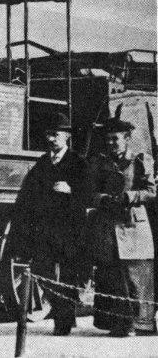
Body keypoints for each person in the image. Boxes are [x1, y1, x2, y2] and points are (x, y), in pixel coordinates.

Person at [7, 112, 89, 335]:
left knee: (69, 274)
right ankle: (62, 310)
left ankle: (64, 320)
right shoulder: (42, 163)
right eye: (48, 135)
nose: (51, 139)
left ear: (67, 136)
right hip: (45, 229)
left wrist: (72, 191)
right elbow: (26, 194)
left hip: (70, 229)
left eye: (55, 134)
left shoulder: (79, 163)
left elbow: (90, 194)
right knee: (41, 271)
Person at [88, 117, 156, 336]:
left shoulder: (140, 160)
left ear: (127, 139)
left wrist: (131, 196)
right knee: (111, 275)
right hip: (108, 226)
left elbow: (151, 191)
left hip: (133, 225)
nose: (110, 143)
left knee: (136, 276)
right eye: (108, 139)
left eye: (115, 139)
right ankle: (118, 324)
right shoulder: (100, 163)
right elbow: (89, 192)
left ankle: (141, 324)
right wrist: (101, 199)